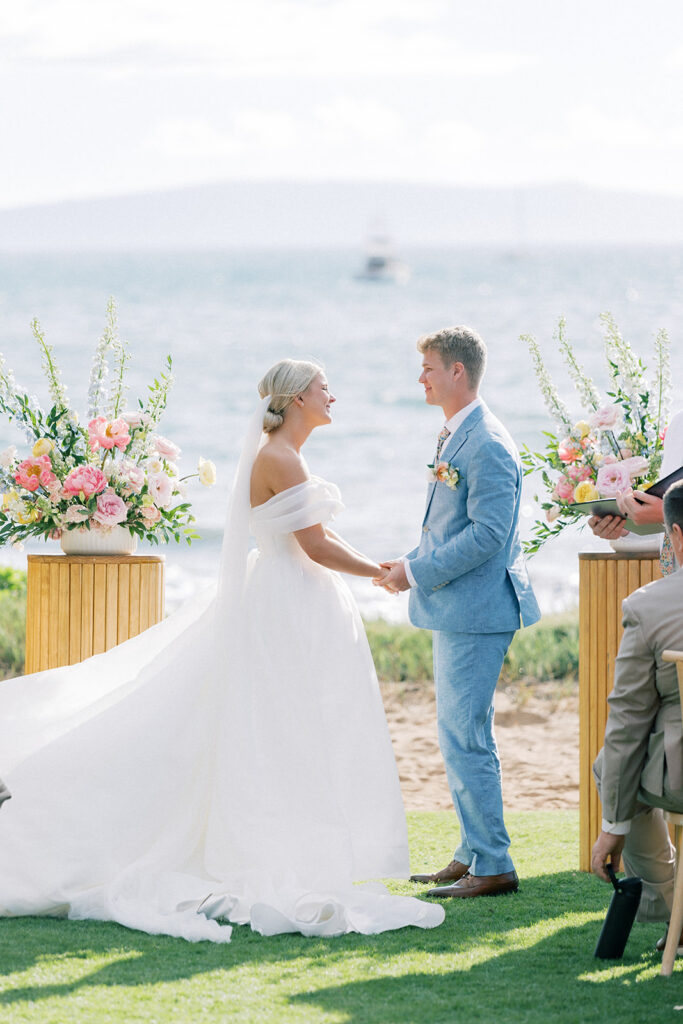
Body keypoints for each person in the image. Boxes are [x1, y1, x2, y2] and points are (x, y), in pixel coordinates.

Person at [0, 359, 444, 942]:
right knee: (280, 724)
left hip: (291, 597)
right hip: (286, 601)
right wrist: (383, 574)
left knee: (290, 726)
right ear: (296, 399)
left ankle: (297, 839)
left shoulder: (286, 453)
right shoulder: (279, 456)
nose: (333, 395)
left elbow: (316, 532)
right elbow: (312, 545)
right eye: (323, 388)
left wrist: (381, 564)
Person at [377, 326, 541, 898]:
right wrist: (410, 560)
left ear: (457, 373)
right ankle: (472, 850)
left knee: (462, 737)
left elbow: (489, 536)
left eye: (428, 367)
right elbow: (449, 526)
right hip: (459, 608)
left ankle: (493, 864)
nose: (420, 377)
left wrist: (417, 573)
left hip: (477, 610)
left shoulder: (488, 442)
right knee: (463, 733)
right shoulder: (458, 433)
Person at [591, 479, 683, 953]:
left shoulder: (648, 607)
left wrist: (614, 827)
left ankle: (673, 906)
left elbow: (627, 723)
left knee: (613, 762)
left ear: (676, 536)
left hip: (680, 778)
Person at [588, 409, 683, 575]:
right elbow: (667, 536)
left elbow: (667, 513)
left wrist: (664, 513)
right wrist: (626, 527)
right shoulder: (678, 425)